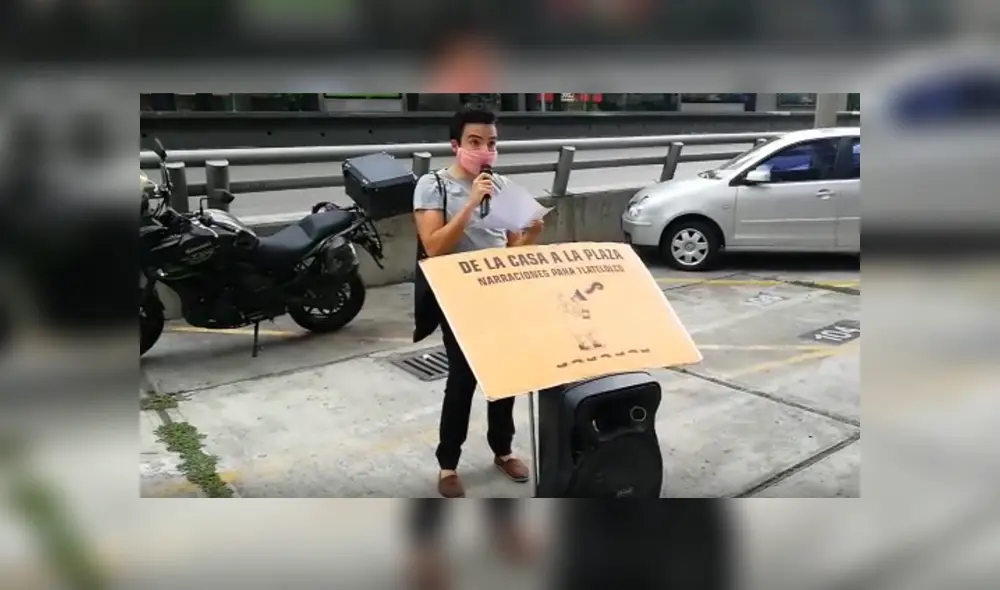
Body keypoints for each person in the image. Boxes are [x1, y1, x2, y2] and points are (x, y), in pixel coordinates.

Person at [412, 105, 544, 498]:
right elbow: (434, 247)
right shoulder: (432, 185)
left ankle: (502, 449)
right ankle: (448, 463)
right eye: (474, 142)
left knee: (506, 374)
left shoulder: (501, 186)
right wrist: (470, 204)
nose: (485, 150)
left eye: (491, 142)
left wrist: (532, 232)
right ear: (455, 145)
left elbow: (511, 247)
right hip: (458, 295)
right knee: (463, 378)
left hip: (500, 292)